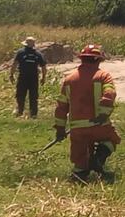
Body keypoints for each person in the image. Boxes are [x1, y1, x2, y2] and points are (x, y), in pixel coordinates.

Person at [53, 44, 119, 183]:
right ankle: (98, 159)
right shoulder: (103, 76)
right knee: (112, 139)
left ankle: (79, 176)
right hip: (98, 124)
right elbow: (109, 94)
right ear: (98, 60)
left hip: (77, 129)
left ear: (82, 59)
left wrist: (60, 129)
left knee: (79, 157)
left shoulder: (69, 80)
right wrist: (103, 114)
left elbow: (61, 107)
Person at [9, 36, 47, 118]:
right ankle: (33, 114)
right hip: (34, 78)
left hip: (23, 76)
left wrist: (11, 75)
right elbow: (43, 67)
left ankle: (20, 111)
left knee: (20, 94)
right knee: (33, 96)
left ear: (25, 44)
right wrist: (43, 77)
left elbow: (14, 64)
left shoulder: (20, 52)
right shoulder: (38, 54)